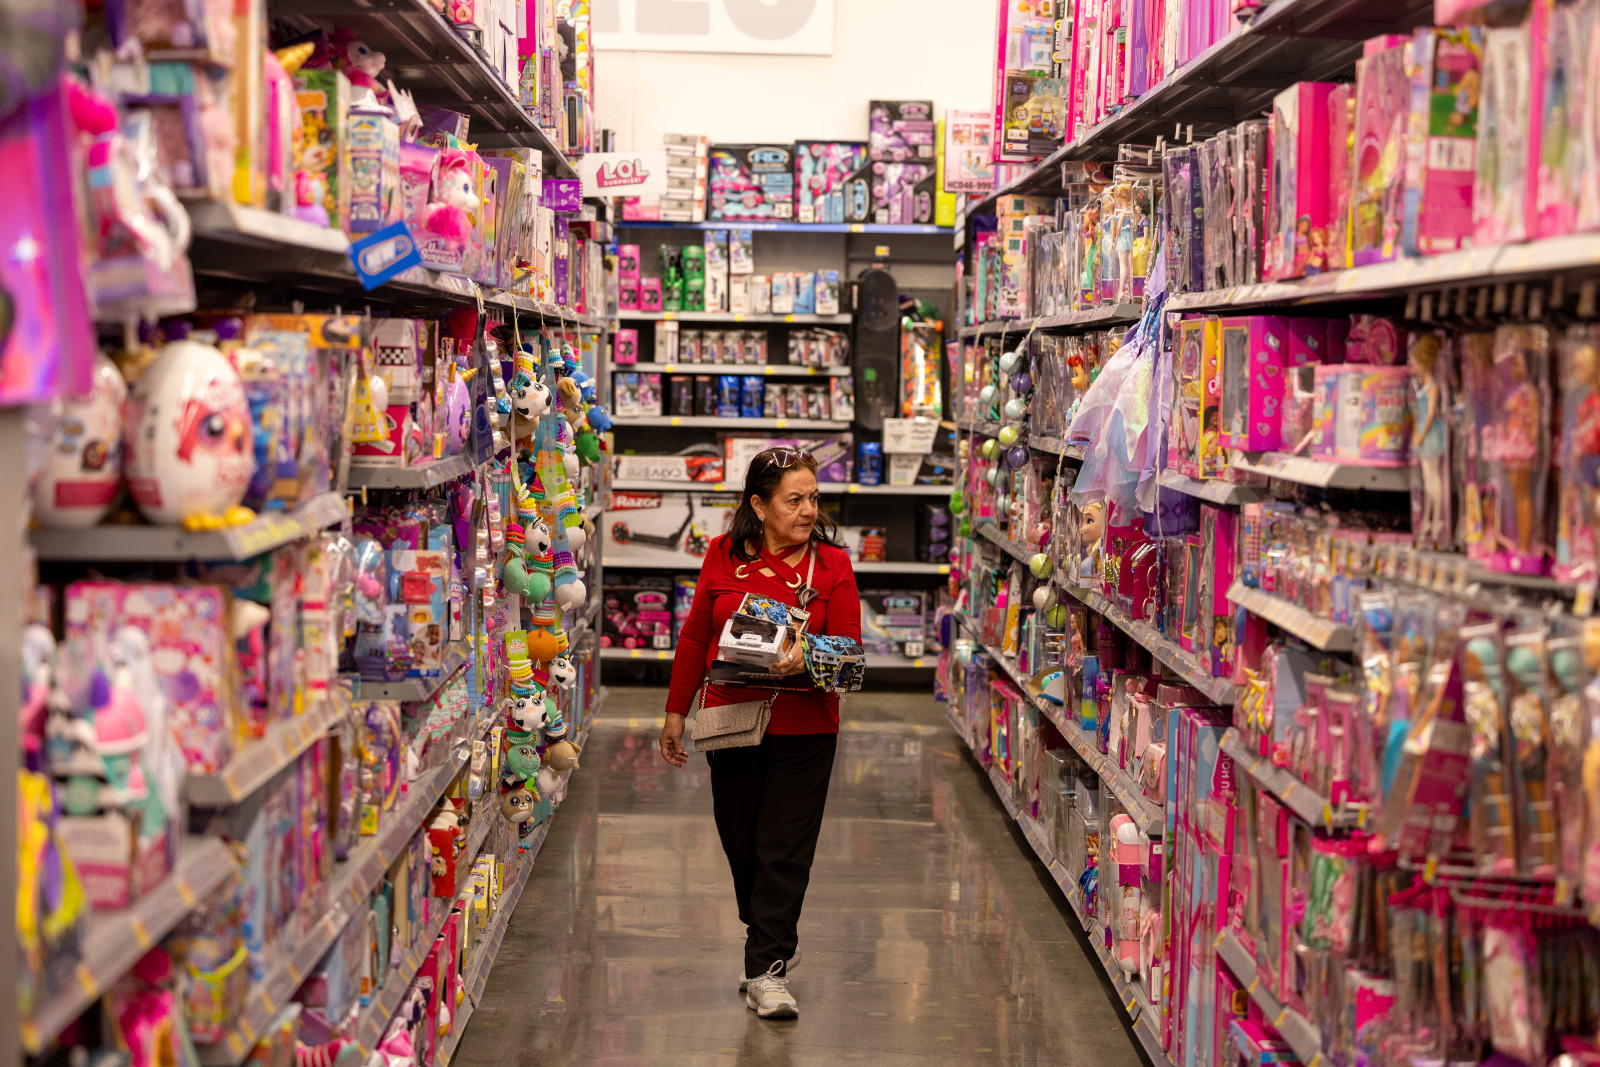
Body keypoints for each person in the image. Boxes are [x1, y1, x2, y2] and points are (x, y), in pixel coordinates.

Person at [658, 447, 862, 1020]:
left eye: (813, 499)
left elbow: (850, 648)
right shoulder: (723, 555)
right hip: (730, 721)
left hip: (806, 727)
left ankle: (767, 967)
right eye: (793, 500)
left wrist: (808, 657)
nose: (807, 511)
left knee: (784, 851)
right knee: (742, 843)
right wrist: (677, 711)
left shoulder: (832, 566)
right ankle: (766, 926)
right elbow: (697, 635)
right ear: (759, 505)